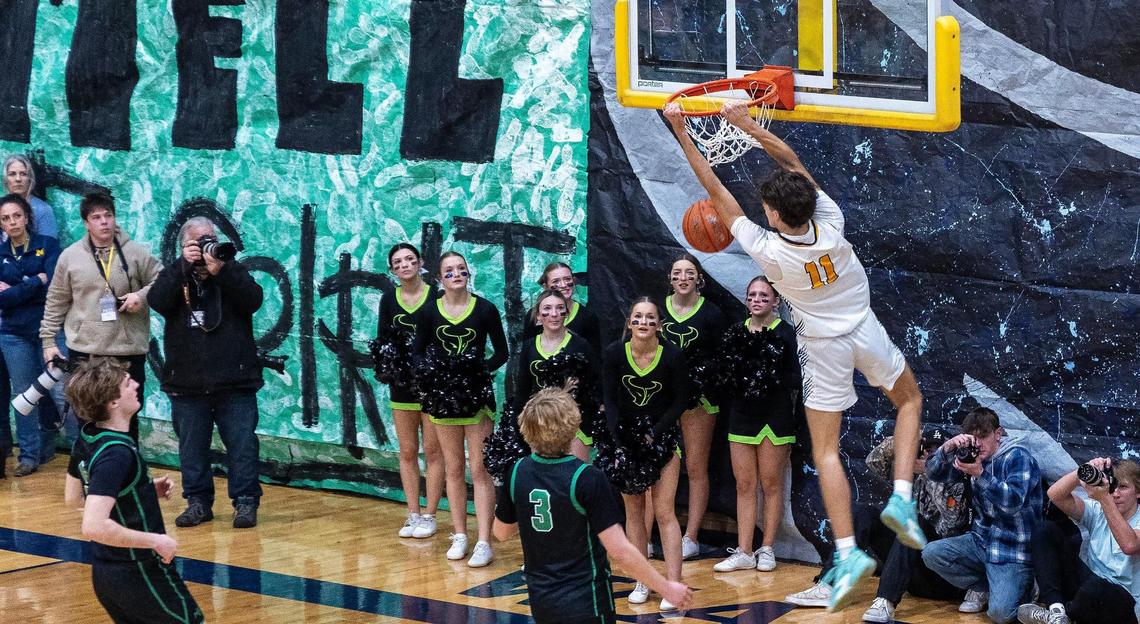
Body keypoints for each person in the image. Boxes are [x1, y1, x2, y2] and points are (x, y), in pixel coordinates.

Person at [665, 101, 927, 611]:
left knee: (827, 451)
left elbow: (714, 191)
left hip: (823, 346)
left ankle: (849, 552)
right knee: (910, 402)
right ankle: (901, 497)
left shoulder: (770, 251)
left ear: (775, 214)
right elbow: (789, 160)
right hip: (864, 328)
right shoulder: (831, 217)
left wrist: (679, 128)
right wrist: (746, 125)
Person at [493, 383, 693, 623]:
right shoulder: (586, 477)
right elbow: (619, 549)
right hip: (587, 603)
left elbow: (501, 532)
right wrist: (666, 587)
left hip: (541, 602)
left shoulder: (516, 472)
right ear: (573, 426)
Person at [62, 357, 204, 623]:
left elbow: (75, 497)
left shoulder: (87, 436)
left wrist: (141, 489)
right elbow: (93, 525)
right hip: (140, 571)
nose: (136, 384)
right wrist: (156, 541)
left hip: (106, 575)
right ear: (113, 402)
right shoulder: (117, 453)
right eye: (128, 383)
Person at [146, 217, 265, 529]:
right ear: (185, 246)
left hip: (235, 381)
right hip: (187, 383)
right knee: (192, 448)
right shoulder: (175, 274)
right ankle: (198, 502)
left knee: (242, 445)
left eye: (210, 239)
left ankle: (245, 503)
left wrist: (222, 270)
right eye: (198, 242)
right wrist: (181, 266)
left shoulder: (231, 269)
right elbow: (157, 300)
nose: (206, 246)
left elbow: (254, 299)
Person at [40, 192, 160, 442]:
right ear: (86, 223)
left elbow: (163, 279)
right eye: (96, 217)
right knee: (87, 420)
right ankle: (89, 477)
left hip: (126, 353)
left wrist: (141, 295)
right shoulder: (70, 256)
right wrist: (48, 341)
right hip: (86, 353)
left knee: (127, 420)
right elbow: (56, 300)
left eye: (108, 215)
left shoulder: (136, 253)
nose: (104, 222)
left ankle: (129, 477)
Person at [414, 251, 508, 567]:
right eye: (449, 270)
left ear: (469, 274)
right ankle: (459, 534)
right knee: (453, 467)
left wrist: (476, 372)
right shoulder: (429, 313)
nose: (457, 273)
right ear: (439, 279)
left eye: (461, 269)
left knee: (480, 469)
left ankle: (483, 540)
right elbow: (417, 355)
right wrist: (436, 377)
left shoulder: (485, 309)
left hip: (476, 399)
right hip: (443, 401)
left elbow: (501, 352)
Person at [596, 298, 689, 610]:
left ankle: (674, 583)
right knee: (633, 513)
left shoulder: (672, 355)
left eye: (650, 318)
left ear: (659, 324)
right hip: (627, 442)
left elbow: (681, 400)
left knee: (664, 512)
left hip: (662, 441)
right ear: (630, 323)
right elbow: (609, 396)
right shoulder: (613, 353)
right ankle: (642, 581)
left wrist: (656, 433)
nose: (644, 322)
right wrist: (618, 436)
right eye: (638, 317)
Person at [922, 407, 1042, 624]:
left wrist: (980, 474)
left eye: (983, 436)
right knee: (932, 553)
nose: (977, 443)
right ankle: (984, 585)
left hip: (1013, 549)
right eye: (973, 438)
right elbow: (932, 473)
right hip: (980, 542)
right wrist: (948, 446)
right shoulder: (971, 457)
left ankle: (1026, 587)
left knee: (1000, 615)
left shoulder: (1019, 457)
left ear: (998, 433)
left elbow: (1012, 502)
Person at [712, 276, 799, 574]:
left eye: (764, 295)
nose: (757, 299)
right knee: (744, 485)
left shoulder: (787, 334)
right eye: (752, 295)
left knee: (771, 484)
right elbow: (725, 375)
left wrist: (769, 373)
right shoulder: (735, 333)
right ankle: (744, 550)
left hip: (775, 417)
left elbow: (795, 379)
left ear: (776, 301)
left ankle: (768, 548)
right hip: (741, 416)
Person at [860, 427, 971, 622]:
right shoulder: (913, 474)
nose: (930, 455)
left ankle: (885, 600)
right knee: (867, 513)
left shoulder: (956, 478)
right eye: (927, 449)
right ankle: (830, 583)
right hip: (914, 573)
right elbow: (873, 462)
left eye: (936, 452)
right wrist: (902, 438)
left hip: (944, 577)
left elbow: (952, 525)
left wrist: (930, 474)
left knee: (914, 521)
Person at [372, 242, 444, 540]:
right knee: (407, 450)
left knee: (433, 450)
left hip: (431, 386)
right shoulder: (389, 299)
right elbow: (383, 340)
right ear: (392, 269)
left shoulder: (436, 297)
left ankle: (430, 514)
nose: (404, 265)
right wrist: (391, 370)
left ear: (420, 263)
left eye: (409, 260)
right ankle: (412, 512)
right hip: (402, 386)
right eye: (398, 262)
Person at [486, 289, 599, 476]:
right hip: (539, 422)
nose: (554, 314)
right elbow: (522, 390)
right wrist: (517, 427)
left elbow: (596, 384)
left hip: (575, 424)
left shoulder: (580, 346)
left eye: (559, 308)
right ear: (538, 316)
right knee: (544, 480)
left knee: (573, 479)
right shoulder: (530, 347)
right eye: (547, 309)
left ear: (566, 313)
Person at [659, 253, 726, 561]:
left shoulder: (711, 313)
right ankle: (657, 529)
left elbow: (721, 358)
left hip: (700, 400)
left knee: (695, 466)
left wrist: (700, 377)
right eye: (677, 272)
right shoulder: (658, 310)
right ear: (670, 278)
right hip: (661, 396)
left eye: (689, 272)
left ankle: (691, 536)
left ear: (699, 278)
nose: (682, 277)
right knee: (658, 464)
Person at [1016, 458, 1140, 624]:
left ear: (1138, 491)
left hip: (1122, 603)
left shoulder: (1111, 505)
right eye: (1113, 486)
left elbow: (1130, 545)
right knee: (1044, 530)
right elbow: (1055, 495)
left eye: (1123, 487)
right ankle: (1057, 612)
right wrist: (1083, 470)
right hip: (1088, 590)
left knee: (1096, 588)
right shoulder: (1099, 510)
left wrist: (1104, 498)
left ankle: (1067, 616)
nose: (1116, 494)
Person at [0, 194, 65, 477]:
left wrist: (16, 288)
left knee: (63, 390)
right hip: (12, 333)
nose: (12, 222)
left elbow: (52, 286)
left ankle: (84, 451)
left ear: (27, 217)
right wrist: (33, 281)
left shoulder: (47, 245)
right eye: (5, 218)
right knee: (24, 394)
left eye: (16, 216)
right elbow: (3, 301)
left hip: (48, 330)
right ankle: (29, 455)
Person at [526, 262, 601, 353]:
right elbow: (527, 353)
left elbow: (594, 357)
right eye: (556, 281)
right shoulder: (534, 315)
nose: (563, 285)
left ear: (574, 281)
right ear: (545, 286)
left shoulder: (587, 316)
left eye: (567, 279)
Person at [3, 154, 59, 240]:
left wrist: (30, 253)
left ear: (30, 179)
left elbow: (47, 248)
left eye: (23, 174)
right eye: (12, 174)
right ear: (6, 179)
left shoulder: (42, 210)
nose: (18, 179)